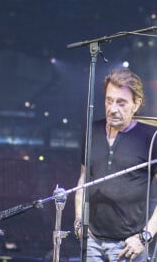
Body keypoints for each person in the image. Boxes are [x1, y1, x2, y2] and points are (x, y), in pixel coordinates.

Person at [75, 68, 157, 261]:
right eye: (109, 100)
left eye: (121, 103)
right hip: (92, 242)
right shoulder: (92, 131)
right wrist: (79, 222)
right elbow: (83, 179)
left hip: (129, 245)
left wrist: (145, 236)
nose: (112, 108)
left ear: (136, 104)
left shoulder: (151, 137)